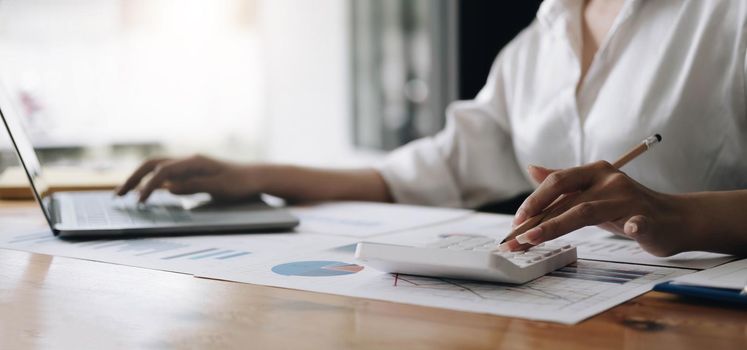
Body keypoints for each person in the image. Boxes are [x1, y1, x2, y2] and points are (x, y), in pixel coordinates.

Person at [117, 0, 747, 257]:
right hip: (573, 320)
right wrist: (254, 173)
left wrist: (683, 216)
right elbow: (431, 172)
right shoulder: (540, 38)